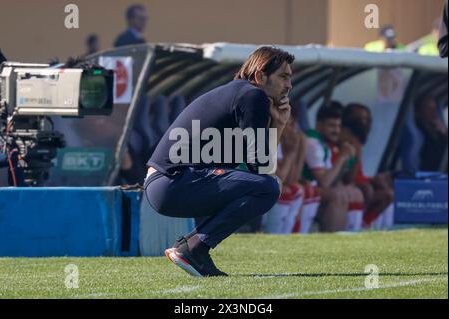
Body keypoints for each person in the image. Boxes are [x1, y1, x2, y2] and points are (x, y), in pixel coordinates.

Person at [144, 46, 294, 277]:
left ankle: (193, 248)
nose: (289, 85)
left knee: (266, 186)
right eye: (283, 76)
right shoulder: (252, 95)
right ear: (260, 76)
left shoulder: (241, 93)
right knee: (268, 188)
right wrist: (272, 182)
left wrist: (279, 123)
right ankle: (193, 249)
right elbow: (262, 168)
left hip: (168, 185)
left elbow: (257, 166)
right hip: (173, 182)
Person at [302, 104, 361, 232]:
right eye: (331, 126)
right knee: (337, 195)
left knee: (354, 193)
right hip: (304, 187)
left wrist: (348, 159)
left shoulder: (325, 144)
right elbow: (324, 182)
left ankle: (353, 237)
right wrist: (342, 157)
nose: (336, 131)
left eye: (338, 126)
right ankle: (333, 242)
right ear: (318, 124)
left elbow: (336, 180)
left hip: (315, 188)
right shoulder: (312, 142)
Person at [340, 103, 394, 230]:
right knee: (366, 189)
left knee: (387, 191)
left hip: (359, 180)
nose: (367, 123)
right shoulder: (345, 137)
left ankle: (366, 224)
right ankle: (357, 226)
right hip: (345, 182)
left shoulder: (358, 139)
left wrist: (375, 179)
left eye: (368, 119)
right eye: (362, 119)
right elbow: (349, 176)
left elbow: (359, 173)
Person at [262, 105, 306, 234]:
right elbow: (280, 178)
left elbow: (293, 178)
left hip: (263, 185)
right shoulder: (267, 135)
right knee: (283, 189)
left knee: (297, 189)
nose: (292, 129)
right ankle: (273, 235)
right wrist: (292, 152)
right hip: (247, 184)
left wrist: (299, 147)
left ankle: (288, 235)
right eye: (289, 123)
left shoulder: (280, 141)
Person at [414, 96, 448, 171]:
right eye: (428, 108)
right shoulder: (419, 132)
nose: (434, 112)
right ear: (417, 112)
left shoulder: (436, 129)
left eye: (434, 108)